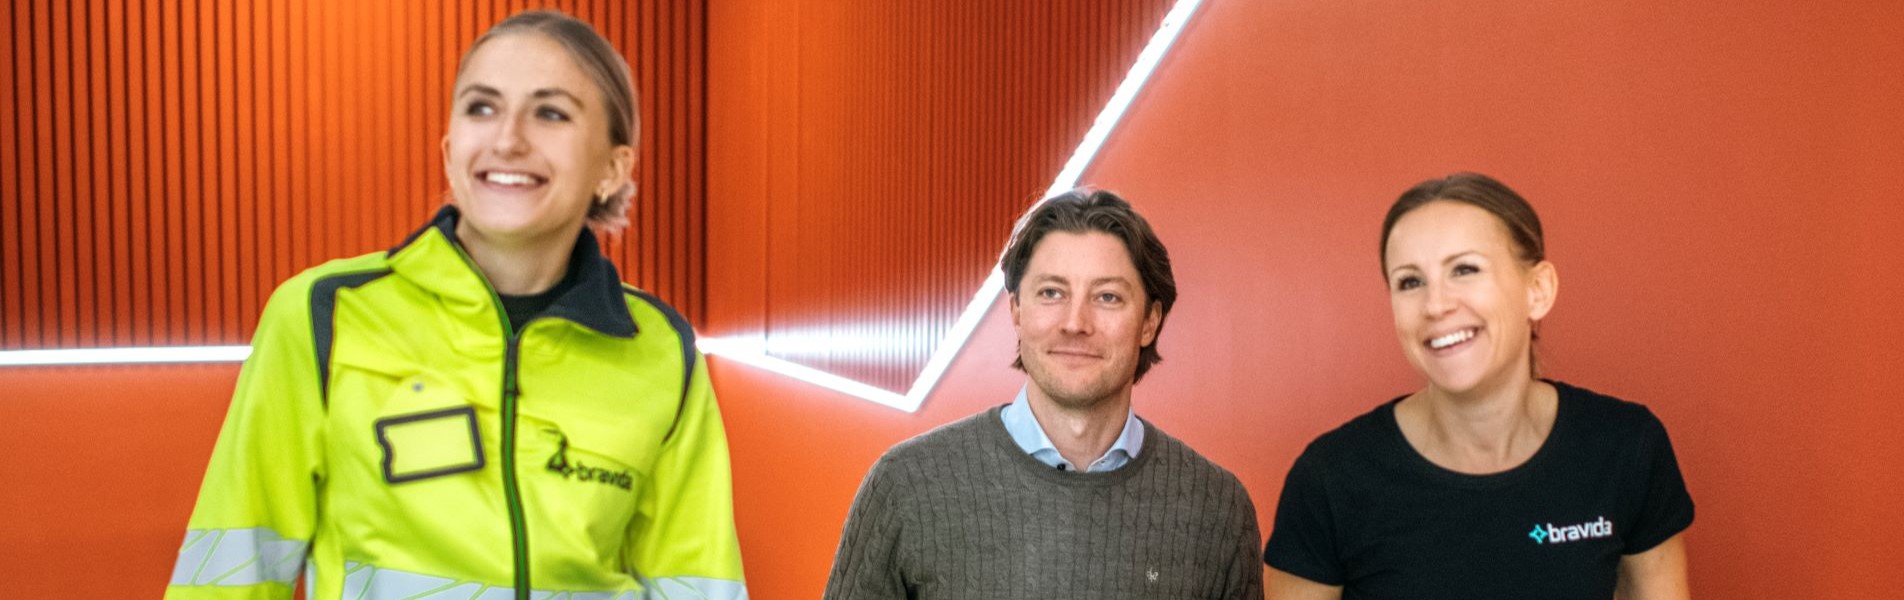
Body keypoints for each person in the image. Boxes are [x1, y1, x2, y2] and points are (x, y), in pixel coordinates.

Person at [164, 11, 747, 600]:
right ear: (450, 152)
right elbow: (231, 570)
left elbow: (696, 585)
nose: (508, 139)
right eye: (481, 107)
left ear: (613, 168)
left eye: (550, 113)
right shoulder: (325, 315)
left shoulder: (660, 349)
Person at [1263, 173, 1693, 599]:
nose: (1435, 305)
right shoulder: (1331, 478)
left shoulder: (1626, 446)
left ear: (1538, 290)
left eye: (1465, 269)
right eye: (1410, 282)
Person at [823, 189, 1263, 599]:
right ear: (1016, 310)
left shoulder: (1217, 509)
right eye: (1052, 293)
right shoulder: (905, 486)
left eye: (1108, 297)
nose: (1075, 323)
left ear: (1149, 321)